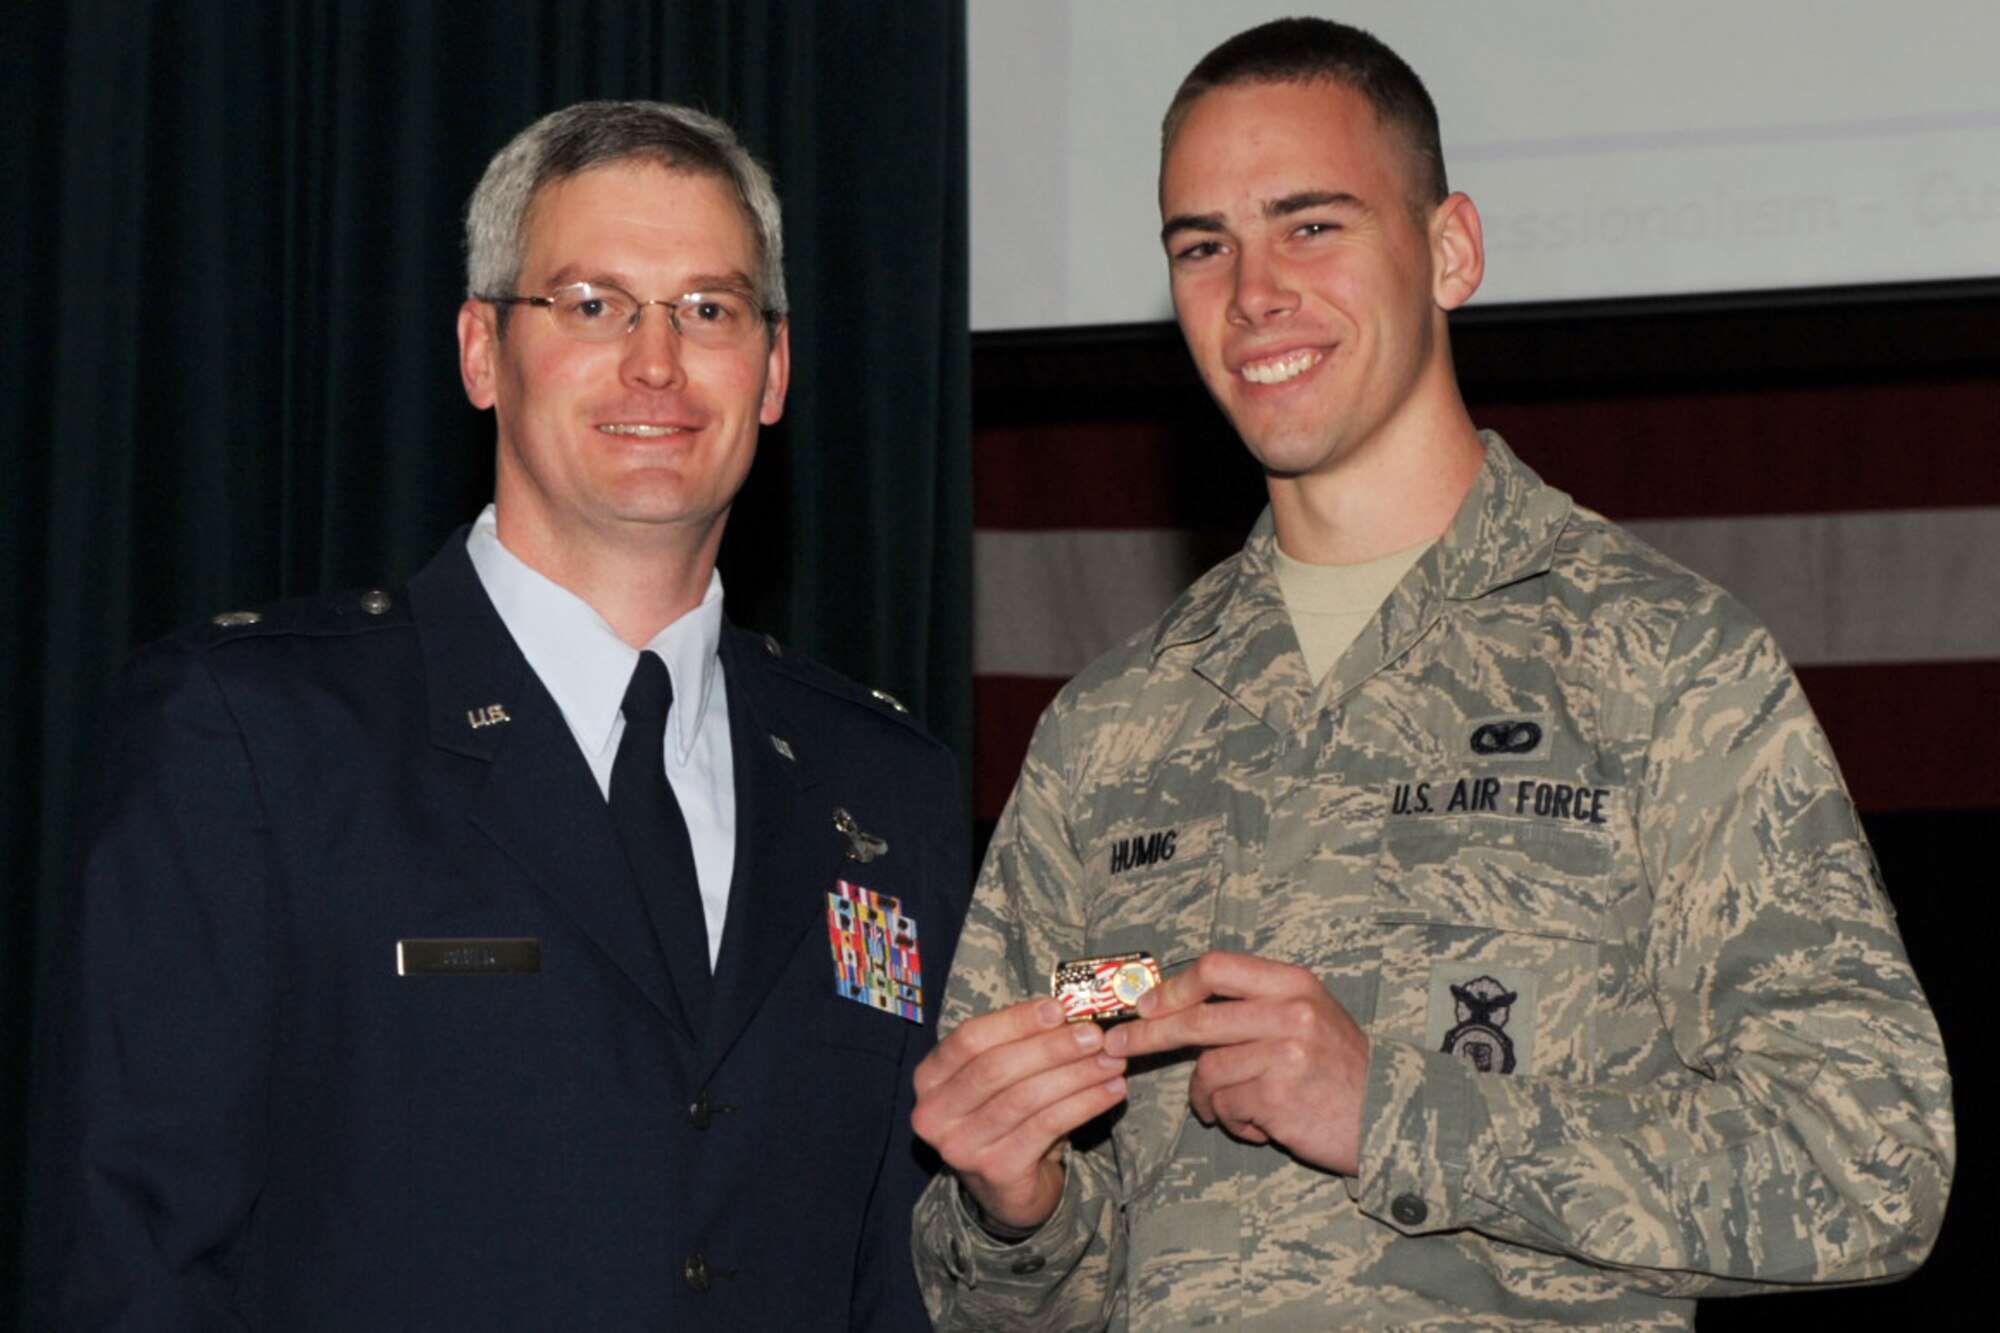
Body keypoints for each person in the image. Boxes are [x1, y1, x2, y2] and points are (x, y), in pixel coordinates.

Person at [911, 19, 1952, 1330]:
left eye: (1312, 226)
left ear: (1449, 249)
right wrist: (1019, 1208)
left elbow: (1872, 1163)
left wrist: (1398, 1113)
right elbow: (997, 1298)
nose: (1251, 294)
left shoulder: (1660, 665)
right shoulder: (1110, 733)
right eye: (1202, 246)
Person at [33, 100, 967, 1330]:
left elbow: (904, 1266)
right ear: (481, 351)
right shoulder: (257, 732)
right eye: (591, 304)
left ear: (774, 368)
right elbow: (134, 1255)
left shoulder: (884, 784)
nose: (655, 361)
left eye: (709, 308)